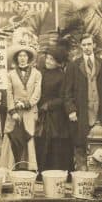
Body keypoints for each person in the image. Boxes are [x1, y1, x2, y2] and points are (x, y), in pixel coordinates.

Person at [63, 34, 102, 172]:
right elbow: (67, 92)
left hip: (99, 112)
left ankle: (99, 175)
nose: (87, 47)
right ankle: (82, 176)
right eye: (84, 45)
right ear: (80, 46)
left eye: (89, 44)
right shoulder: (73, 65)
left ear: (94, 45)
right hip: (81, 112)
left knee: (99, 143)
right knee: (80, 144)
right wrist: (71, 110)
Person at [2, 43, 42, 171]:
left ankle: (29, 167)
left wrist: (26, 104)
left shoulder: (36, 74)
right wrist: (12, 110)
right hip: (14, 112)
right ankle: (10, 167)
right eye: (20, 56)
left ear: (29, 58)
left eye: (25, 55)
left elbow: (37, 92)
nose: (22, 58)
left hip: (30, 111)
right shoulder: (10, 74)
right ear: (16, 58)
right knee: (12, 136)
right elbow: (8, 93)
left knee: (29, 136)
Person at [35, 46, 72, 175]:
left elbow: (62, 98)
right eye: (47, 58)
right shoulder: (40, 72)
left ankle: (56, 173)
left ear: (58, 62)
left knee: (55, 144)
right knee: (40, 143)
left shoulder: (62, 76)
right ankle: (42, 173)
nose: (48, 61)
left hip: (56, 117)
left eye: (52, 59)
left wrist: (48, 105)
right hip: (41, 114)